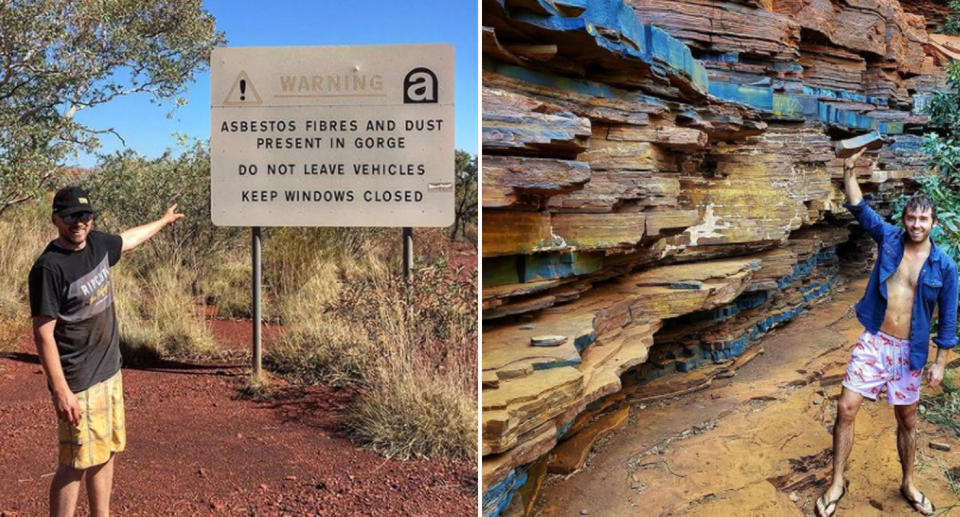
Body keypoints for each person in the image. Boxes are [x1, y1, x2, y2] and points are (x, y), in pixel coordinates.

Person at [815, 148, 957, 517]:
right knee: (846, 408)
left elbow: (949, 320)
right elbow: (861, 209)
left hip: (910, 350)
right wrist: (848, 169)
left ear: (934, 224)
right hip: (876, 341)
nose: (916, 224)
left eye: (923, 219)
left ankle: (908, 482)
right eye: (911, 217)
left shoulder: (945, 267)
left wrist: (940, 362)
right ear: (905, 219)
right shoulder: (889, 238)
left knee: (907, 419)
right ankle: (836, 482)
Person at [28, 186, 184, 517]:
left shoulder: (98, 243)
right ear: (56, 219)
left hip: (109, 370)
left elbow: (128, 240)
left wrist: (163, 220)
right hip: (78, 381)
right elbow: (43, 335)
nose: (79, 223)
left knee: (107, 450)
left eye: (84, 215)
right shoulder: (49, 268)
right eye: (71, 217)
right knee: (75, 463)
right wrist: (60, 390)